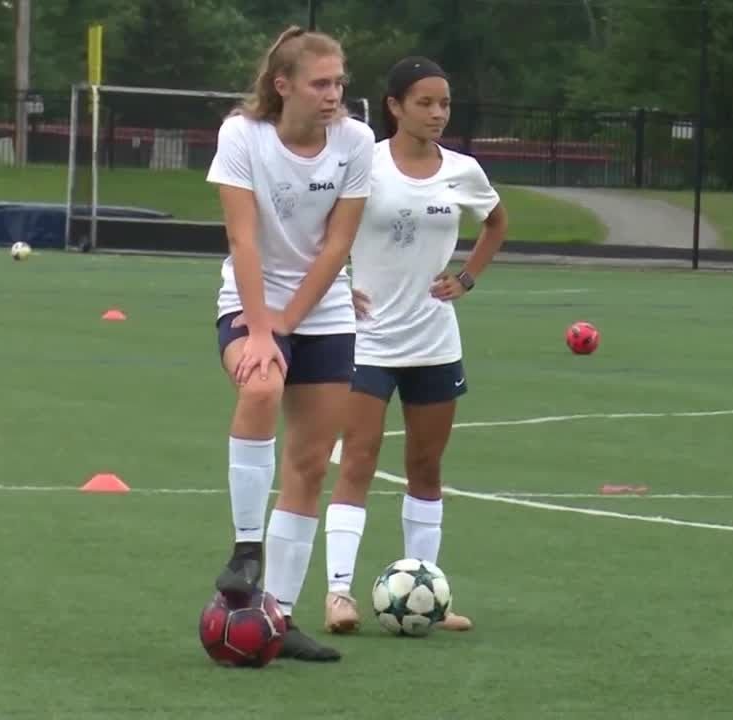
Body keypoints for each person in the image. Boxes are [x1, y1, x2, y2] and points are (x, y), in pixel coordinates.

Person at [319, 56, 508, 634]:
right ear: (394, 107)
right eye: (424, 102)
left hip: (434, 342)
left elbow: (496, 222)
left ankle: (428, 591)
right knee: (358, 460)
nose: (437, 113)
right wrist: (335, 286)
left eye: (444, 103)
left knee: (426, 467)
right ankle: (339, 595)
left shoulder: (463, 171)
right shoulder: (363, 163)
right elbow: (317, 227)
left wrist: (467, 277)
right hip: (368, 342)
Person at [206, 25, 376, 662]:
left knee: (308, 465)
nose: (335, 95)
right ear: (283, 87)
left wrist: (291, 320)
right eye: (321, 83)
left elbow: (338, 246)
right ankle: (245, 550)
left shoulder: (356, 142)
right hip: (248, 301)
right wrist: (260, 327)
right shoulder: (241, 135)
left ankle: (277, 615)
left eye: (341, 83)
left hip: (324, 310)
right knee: (261, 385)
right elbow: (243, 240)